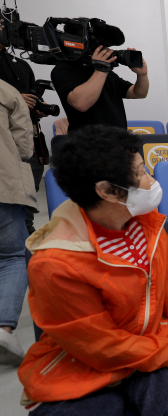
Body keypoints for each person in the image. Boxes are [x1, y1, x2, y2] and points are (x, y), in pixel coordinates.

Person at [18, 126, 168, 415]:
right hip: (81, 366)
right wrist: (167, 352)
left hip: (150, 346)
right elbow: (95, 342)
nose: (152, 179)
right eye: (142, 172)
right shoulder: (55, 262)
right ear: (106, 190)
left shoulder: (149, 225)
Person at [0, 79, 37, 365]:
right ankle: (4, 329)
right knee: (12, 256)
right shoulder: (6, 91)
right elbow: (25, 148)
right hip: (3, 186)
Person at [0, 29, 46, 234]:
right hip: (4, 145)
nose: (3, 29)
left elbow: (32, 96)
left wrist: (37, 106)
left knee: (27, 210)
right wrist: (16, 98)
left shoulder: (22, 65)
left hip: (30, 143)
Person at [51, 41, 149, 132]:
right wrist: (101, 69)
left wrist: (142, 75)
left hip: (117, 142)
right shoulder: (64, 69)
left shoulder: (107, 73)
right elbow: (81, 103)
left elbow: (138, 93)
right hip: (86, 145)